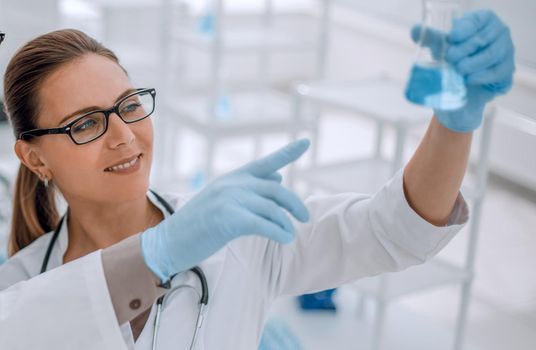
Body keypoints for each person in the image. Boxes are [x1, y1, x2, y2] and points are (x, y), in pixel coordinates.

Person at [0, 9, 514, 350]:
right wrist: (159, 252)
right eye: (86, 123)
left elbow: (394, 231)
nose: (124, 136)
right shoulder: (19, 286)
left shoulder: (236, 235)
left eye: (130, 106)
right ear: (34, 158)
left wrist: (453, 121)